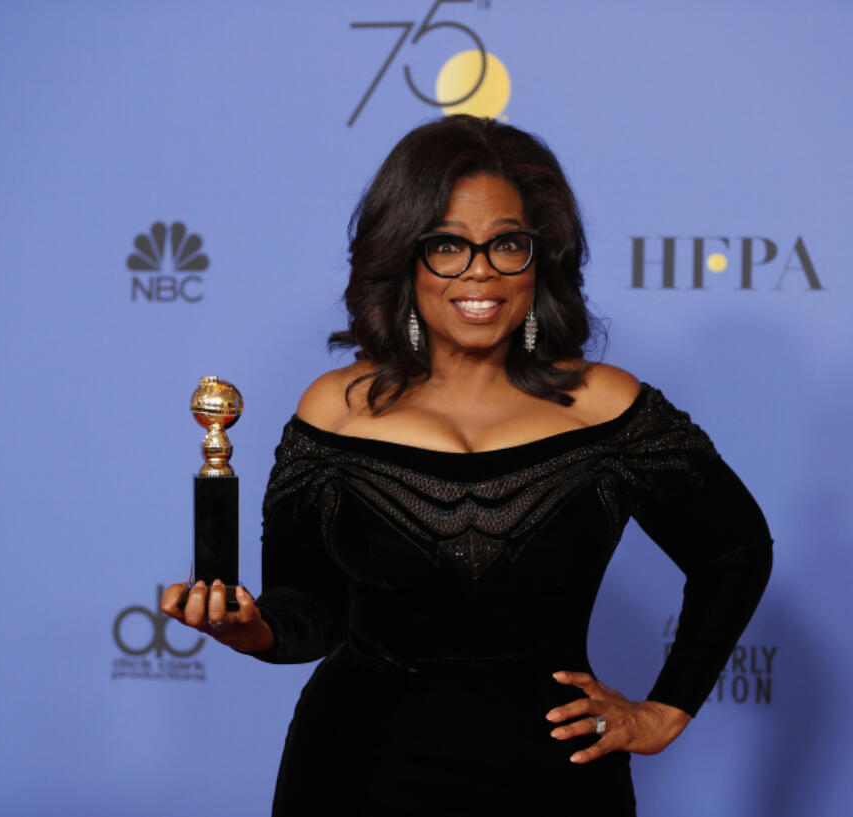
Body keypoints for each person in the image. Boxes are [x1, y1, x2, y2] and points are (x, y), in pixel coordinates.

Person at [161, 115, 772, 816]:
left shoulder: (608, 408)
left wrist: (665, 709)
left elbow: (735, 550)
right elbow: (309, 611)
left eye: (506, 243)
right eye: (447, 244)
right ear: (405, 257)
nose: (480, 271)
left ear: (540, 257)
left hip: (556, 777)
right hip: (356, 771)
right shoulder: (336, 408)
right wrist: (251, 629)